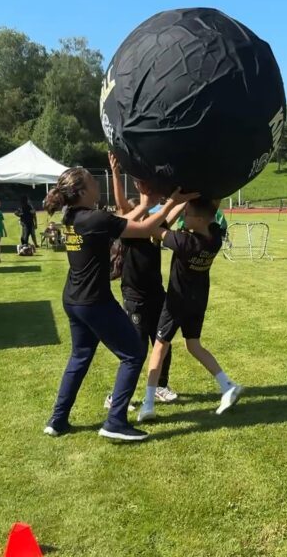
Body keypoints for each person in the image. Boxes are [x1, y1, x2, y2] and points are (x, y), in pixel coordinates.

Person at [43, 166, 197, 442]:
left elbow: (122, 220)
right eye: (92, 182)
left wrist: (148, 204)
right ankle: (115, 421)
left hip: (73, 300)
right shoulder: (95, 218)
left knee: (79, 357)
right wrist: (173, 201)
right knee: (134, 354)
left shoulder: (72, 217)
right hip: (95, 301)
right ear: (82, 191)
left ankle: (57, 419)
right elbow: (146, 228)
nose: (96, 186)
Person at [137, 197, 242, 422]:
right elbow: (212, 207)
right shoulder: (214, 237)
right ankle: (227, 385)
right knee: (193, 345)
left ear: (200, 219)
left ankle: (148, 403)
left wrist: (176, 199)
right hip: (198, 300)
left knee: (159, 347)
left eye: (188, 213)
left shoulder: (183, 241)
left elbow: (152, 229)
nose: (184, 216)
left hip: (177, 302)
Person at [108, 155, 180, 408]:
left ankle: (161, 386)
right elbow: (120, 206)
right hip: (134, 296)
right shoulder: (127, 228)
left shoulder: (154, 223)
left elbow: (170, 211)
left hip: (156, 294)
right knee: (135, 348)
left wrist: (185, 197)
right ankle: (116, 395)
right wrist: (116, 174)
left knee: (162, 342)